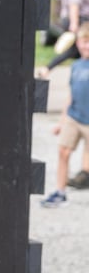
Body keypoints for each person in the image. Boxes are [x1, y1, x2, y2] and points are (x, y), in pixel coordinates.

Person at [42, 22, 89, 206]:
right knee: (63, 151)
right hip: (74, 116)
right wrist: (61, 121)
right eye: (83, 42)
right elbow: (71, 95)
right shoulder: (76, 66)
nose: (86, 46)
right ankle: (60, 192)